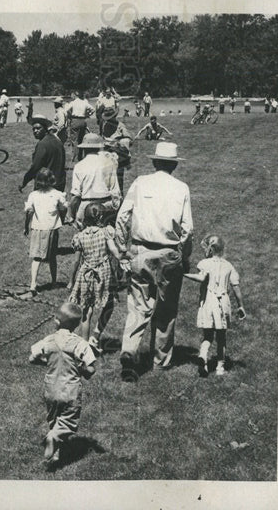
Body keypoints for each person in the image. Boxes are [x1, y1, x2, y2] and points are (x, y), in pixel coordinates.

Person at [115, 142, 193, 380]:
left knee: (138, 305)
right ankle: (161, 359)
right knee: (166, 309)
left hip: (140, 250)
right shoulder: (181, 188)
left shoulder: (140, 182)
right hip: (169, 253)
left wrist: (122, 248)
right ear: (174, 165)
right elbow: (188, 229)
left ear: (154, 162)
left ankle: (129, 350)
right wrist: (186, 256)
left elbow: (122, 216)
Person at [28, 302, 96, 468]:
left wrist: (46, 363)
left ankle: (55, 453)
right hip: (70, 390)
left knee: (54, 419)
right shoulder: (80, 344)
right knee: (69, 421)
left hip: (51, 389)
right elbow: (91, 369)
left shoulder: (48, 340)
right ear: (77, 325)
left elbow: (32, 358)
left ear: (56, 322)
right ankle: (53, 438)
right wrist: (82, 369)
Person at [184, 235, 246, 377]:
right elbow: (236, 286)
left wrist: (185, 274)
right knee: (221, 337)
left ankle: (203, 356)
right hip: (222, 303)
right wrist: (240, 306)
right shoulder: (228, 265)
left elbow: (201, 278)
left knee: (207, 336)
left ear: (210, 250)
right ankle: (220, 367)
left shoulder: (205, 263)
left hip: (208, 303)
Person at [67, 204, 121, 351]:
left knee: (86, 309)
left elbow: (76, 261)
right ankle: (95, 337)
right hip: (104, 274)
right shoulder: (107, 232)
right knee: (109, 304)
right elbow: (114, 251)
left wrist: (71, 281)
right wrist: (124, 257)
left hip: (85, 275)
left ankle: (85, 346)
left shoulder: (79, 236)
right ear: (101, 217)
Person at [23, 168, 67, 295]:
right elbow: (63, 208)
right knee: (52, 257)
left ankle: (33, 284)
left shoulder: (33, 195)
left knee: (36, 257)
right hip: (52, 229)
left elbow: (29, 212)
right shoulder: (58, 194)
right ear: (52, 180)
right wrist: (62, 219)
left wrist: (26, 226)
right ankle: (53, 282)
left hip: (37, 228)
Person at [66, 133, 121, 226]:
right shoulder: (109, 163)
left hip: (86, 205)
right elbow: (115, 190)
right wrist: (115, 208)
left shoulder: (79, 166)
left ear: (84, 148)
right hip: (106, 204)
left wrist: (70, 215)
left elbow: (75, 195)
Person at [21, 117, 67, 192]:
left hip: (46, 184)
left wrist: (25, 181)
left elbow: (35, 166)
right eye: (33, 129)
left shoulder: (42, 144)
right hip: (60, 183)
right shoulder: (58, 141)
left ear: (45, 129)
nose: (35, 131)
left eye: (38, 128)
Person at [66, 91, 95, 162]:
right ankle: (80, 156)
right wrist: (88, 115)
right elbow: (93, 109)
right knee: (81, 139)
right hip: (83, 121)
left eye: (71, 95)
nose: (71, 97)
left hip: (75, 120)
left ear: (74, 95)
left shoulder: (73, 103)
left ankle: (75, 157)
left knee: (74, 139)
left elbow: (66, 110)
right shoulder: (84, 102)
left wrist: (70, 115)